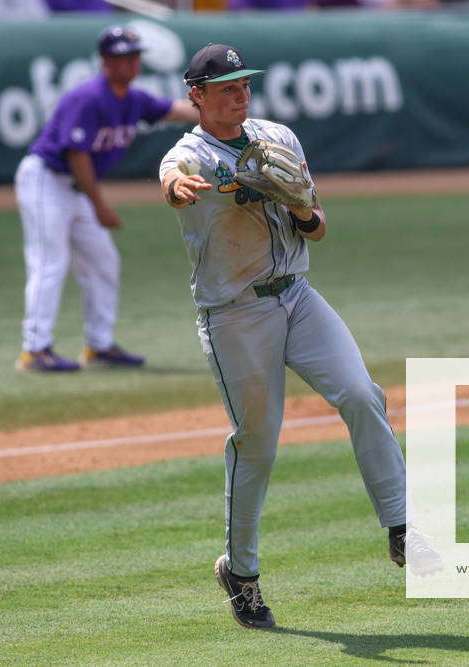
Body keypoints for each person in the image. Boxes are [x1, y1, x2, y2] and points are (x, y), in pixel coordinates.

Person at [159, 43, 440, 630]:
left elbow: (317, 228)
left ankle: (402, 529)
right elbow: (172, 178)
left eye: (244, 85)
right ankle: (240, 572)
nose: (240, 95)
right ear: (198, 96)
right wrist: (177, 189)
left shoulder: (279, 138)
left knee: (362, 394)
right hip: (235, 315)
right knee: (257, 443)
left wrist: (300, 205)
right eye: (227, 87)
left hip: (297, 296)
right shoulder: (189, 155)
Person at [14, 25, 199, 372]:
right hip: (46, 180)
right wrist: (100, 207)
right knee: (49, 262)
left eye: (133, 56)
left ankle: (99, 347)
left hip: (77, 188)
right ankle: (34, 349)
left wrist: (213, 111)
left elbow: (174, 110)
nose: (129, 63)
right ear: (105, 60)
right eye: (121, 56)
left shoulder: (133, 99)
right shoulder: (89, 97)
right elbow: (77, 156)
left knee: (103, 261)